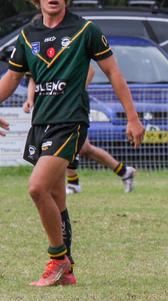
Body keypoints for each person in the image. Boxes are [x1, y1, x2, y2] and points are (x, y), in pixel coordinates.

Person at [0, 0, 144, 286]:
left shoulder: (85, 30)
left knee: (37, 188)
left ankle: (57, 259)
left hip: (70, 122)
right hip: (41, 123)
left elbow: (113, 73)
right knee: (56, 198)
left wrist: (132, 117)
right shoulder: (28, 35)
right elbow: (12, 77)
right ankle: (67, 271)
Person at [23, 66, 137, 194]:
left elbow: (90, 70)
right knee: (85, 148)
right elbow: (33, 78)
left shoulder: (68, 49)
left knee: (63, 144)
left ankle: (73, 183)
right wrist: (30, 99)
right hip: (50, 108)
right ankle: (124, 172)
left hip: (72, 107)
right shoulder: (37, 52)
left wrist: (74, 92)